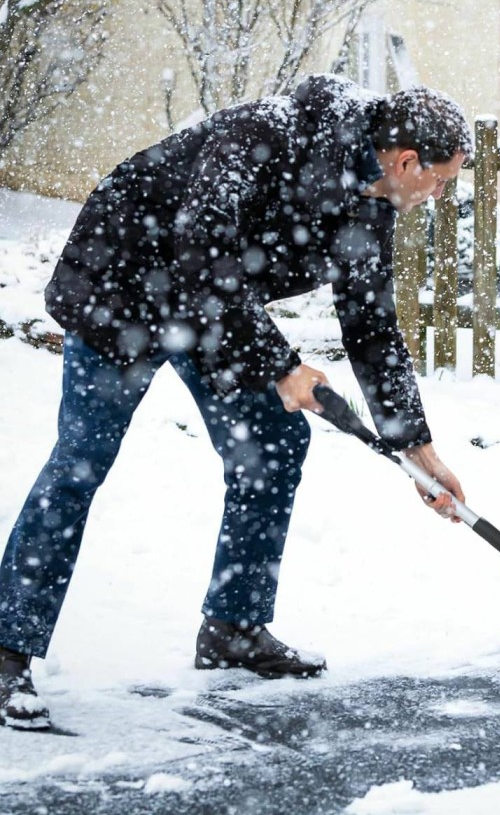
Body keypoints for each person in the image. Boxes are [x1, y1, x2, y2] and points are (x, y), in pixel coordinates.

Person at [0, 73, 472, 730]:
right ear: (406, 162)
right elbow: (201, 246)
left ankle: (234, 628)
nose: (441, 193)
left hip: (214, 310)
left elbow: (371, 329)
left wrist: (418, 450)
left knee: (274, 442)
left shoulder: (371, 202)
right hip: (124, 283)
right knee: (82, 458)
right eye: (442, 179)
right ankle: (6, 650)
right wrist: (282, 366)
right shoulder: (275, 132)